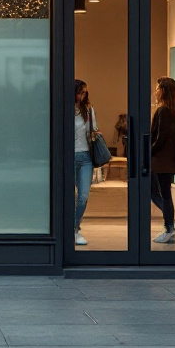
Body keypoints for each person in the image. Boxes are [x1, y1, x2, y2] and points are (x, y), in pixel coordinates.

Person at [150, 76, 175, 244]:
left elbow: (160, 137)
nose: (155, 91)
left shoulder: (163, 110)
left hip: (161, 159)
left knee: (162, 194)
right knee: (161, 193)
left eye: (158, 88)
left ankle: (169, 226)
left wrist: (149, 151)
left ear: (163, 90)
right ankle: (170, 223)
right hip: (170, 159)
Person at [72, 79, 97, 247]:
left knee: (83, 196)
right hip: (68, 157)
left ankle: (75, 229)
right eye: (80, 92)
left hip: (85, 157)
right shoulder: (63, 109)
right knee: (69, 197)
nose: (83, 95)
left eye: (85, 92)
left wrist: (95, 133)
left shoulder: (88, 110)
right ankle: (68, 229)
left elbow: (94, 130)